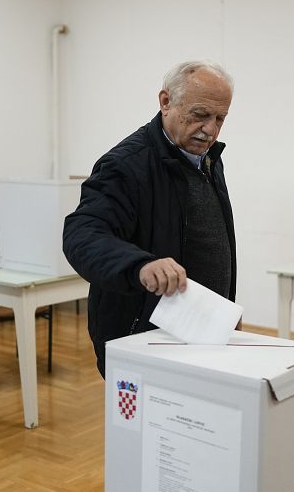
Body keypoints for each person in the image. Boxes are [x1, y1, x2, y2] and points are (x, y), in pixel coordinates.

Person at [63, 60, 238, 377]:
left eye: (220, 119)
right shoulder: (126, 165)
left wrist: (224, 312)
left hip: (200, 333)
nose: (210, 129)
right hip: (142, 341)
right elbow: (82, 234)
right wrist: (139, 265)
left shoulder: (208, 159)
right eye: (200, 115)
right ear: (166, 101)